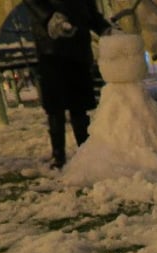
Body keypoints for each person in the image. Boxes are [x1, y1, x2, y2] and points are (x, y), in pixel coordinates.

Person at [23, 0, 112, 169]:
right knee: (56, 108)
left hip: (77, 49)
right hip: (52, 48)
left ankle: (84, 151)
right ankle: (59, 155)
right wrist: (50, 17)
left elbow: (89, 12)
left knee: (79, 107)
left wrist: (104, 28)